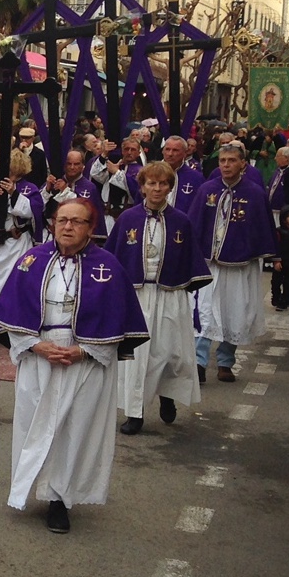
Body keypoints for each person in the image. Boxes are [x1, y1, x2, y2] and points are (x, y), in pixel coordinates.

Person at [0, 198, 149, 534]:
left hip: (85, 359)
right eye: (62, 220)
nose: (67, 227)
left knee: (75, 427)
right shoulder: (31, 260)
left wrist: (84, 350)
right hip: (40, 356)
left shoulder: (108, 265)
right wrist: (37, 345)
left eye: (76, 221)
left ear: (91, 227)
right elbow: (11, 314)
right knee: (36, 422)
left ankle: (60, 499)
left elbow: (120, 321)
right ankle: (37, 485)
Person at [107, 162, 211, 435]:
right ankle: (135, 412)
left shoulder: (181, 221)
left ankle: (167, 395)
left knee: (170, 352)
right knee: (138, 356)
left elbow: (191, 259)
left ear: (170, 187)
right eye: (151, 183)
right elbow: (113, 257)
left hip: (169, 293)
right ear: (142, 187)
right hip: (138, 295)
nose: (156, 188)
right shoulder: (128, 219)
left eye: (162, 183)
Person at [189, 142, 275, 384]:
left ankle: (226, 361)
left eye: (231, 161)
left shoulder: (255, 193)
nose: (226, 165)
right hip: (210, 264)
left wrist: (259, 252)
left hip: (239, 265)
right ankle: (199, 361)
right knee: (205, 312)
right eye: (222, 161)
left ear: (243, 164)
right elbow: (195, 224)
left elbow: (261, 227)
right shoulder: (207, 190)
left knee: (234, 312)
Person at [0, 150, 45, 300]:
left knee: (14, 282)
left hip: (16, 242)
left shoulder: (30, 188)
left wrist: (14, 194)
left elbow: (33, 212)